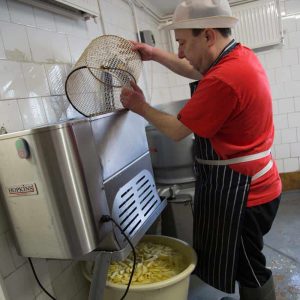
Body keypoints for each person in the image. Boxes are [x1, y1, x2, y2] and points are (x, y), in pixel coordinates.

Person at [120, 0, 282, 299]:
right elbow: (195, 68)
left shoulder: (223, 79)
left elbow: (176, 130)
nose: (180, 52)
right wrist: (154, 54)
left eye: (182, 42)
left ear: (208, 35)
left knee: (250, 266)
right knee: (242, 259)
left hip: (246, 192)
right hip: (255, 182)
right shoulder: (237, 56)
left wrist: (139, 106)